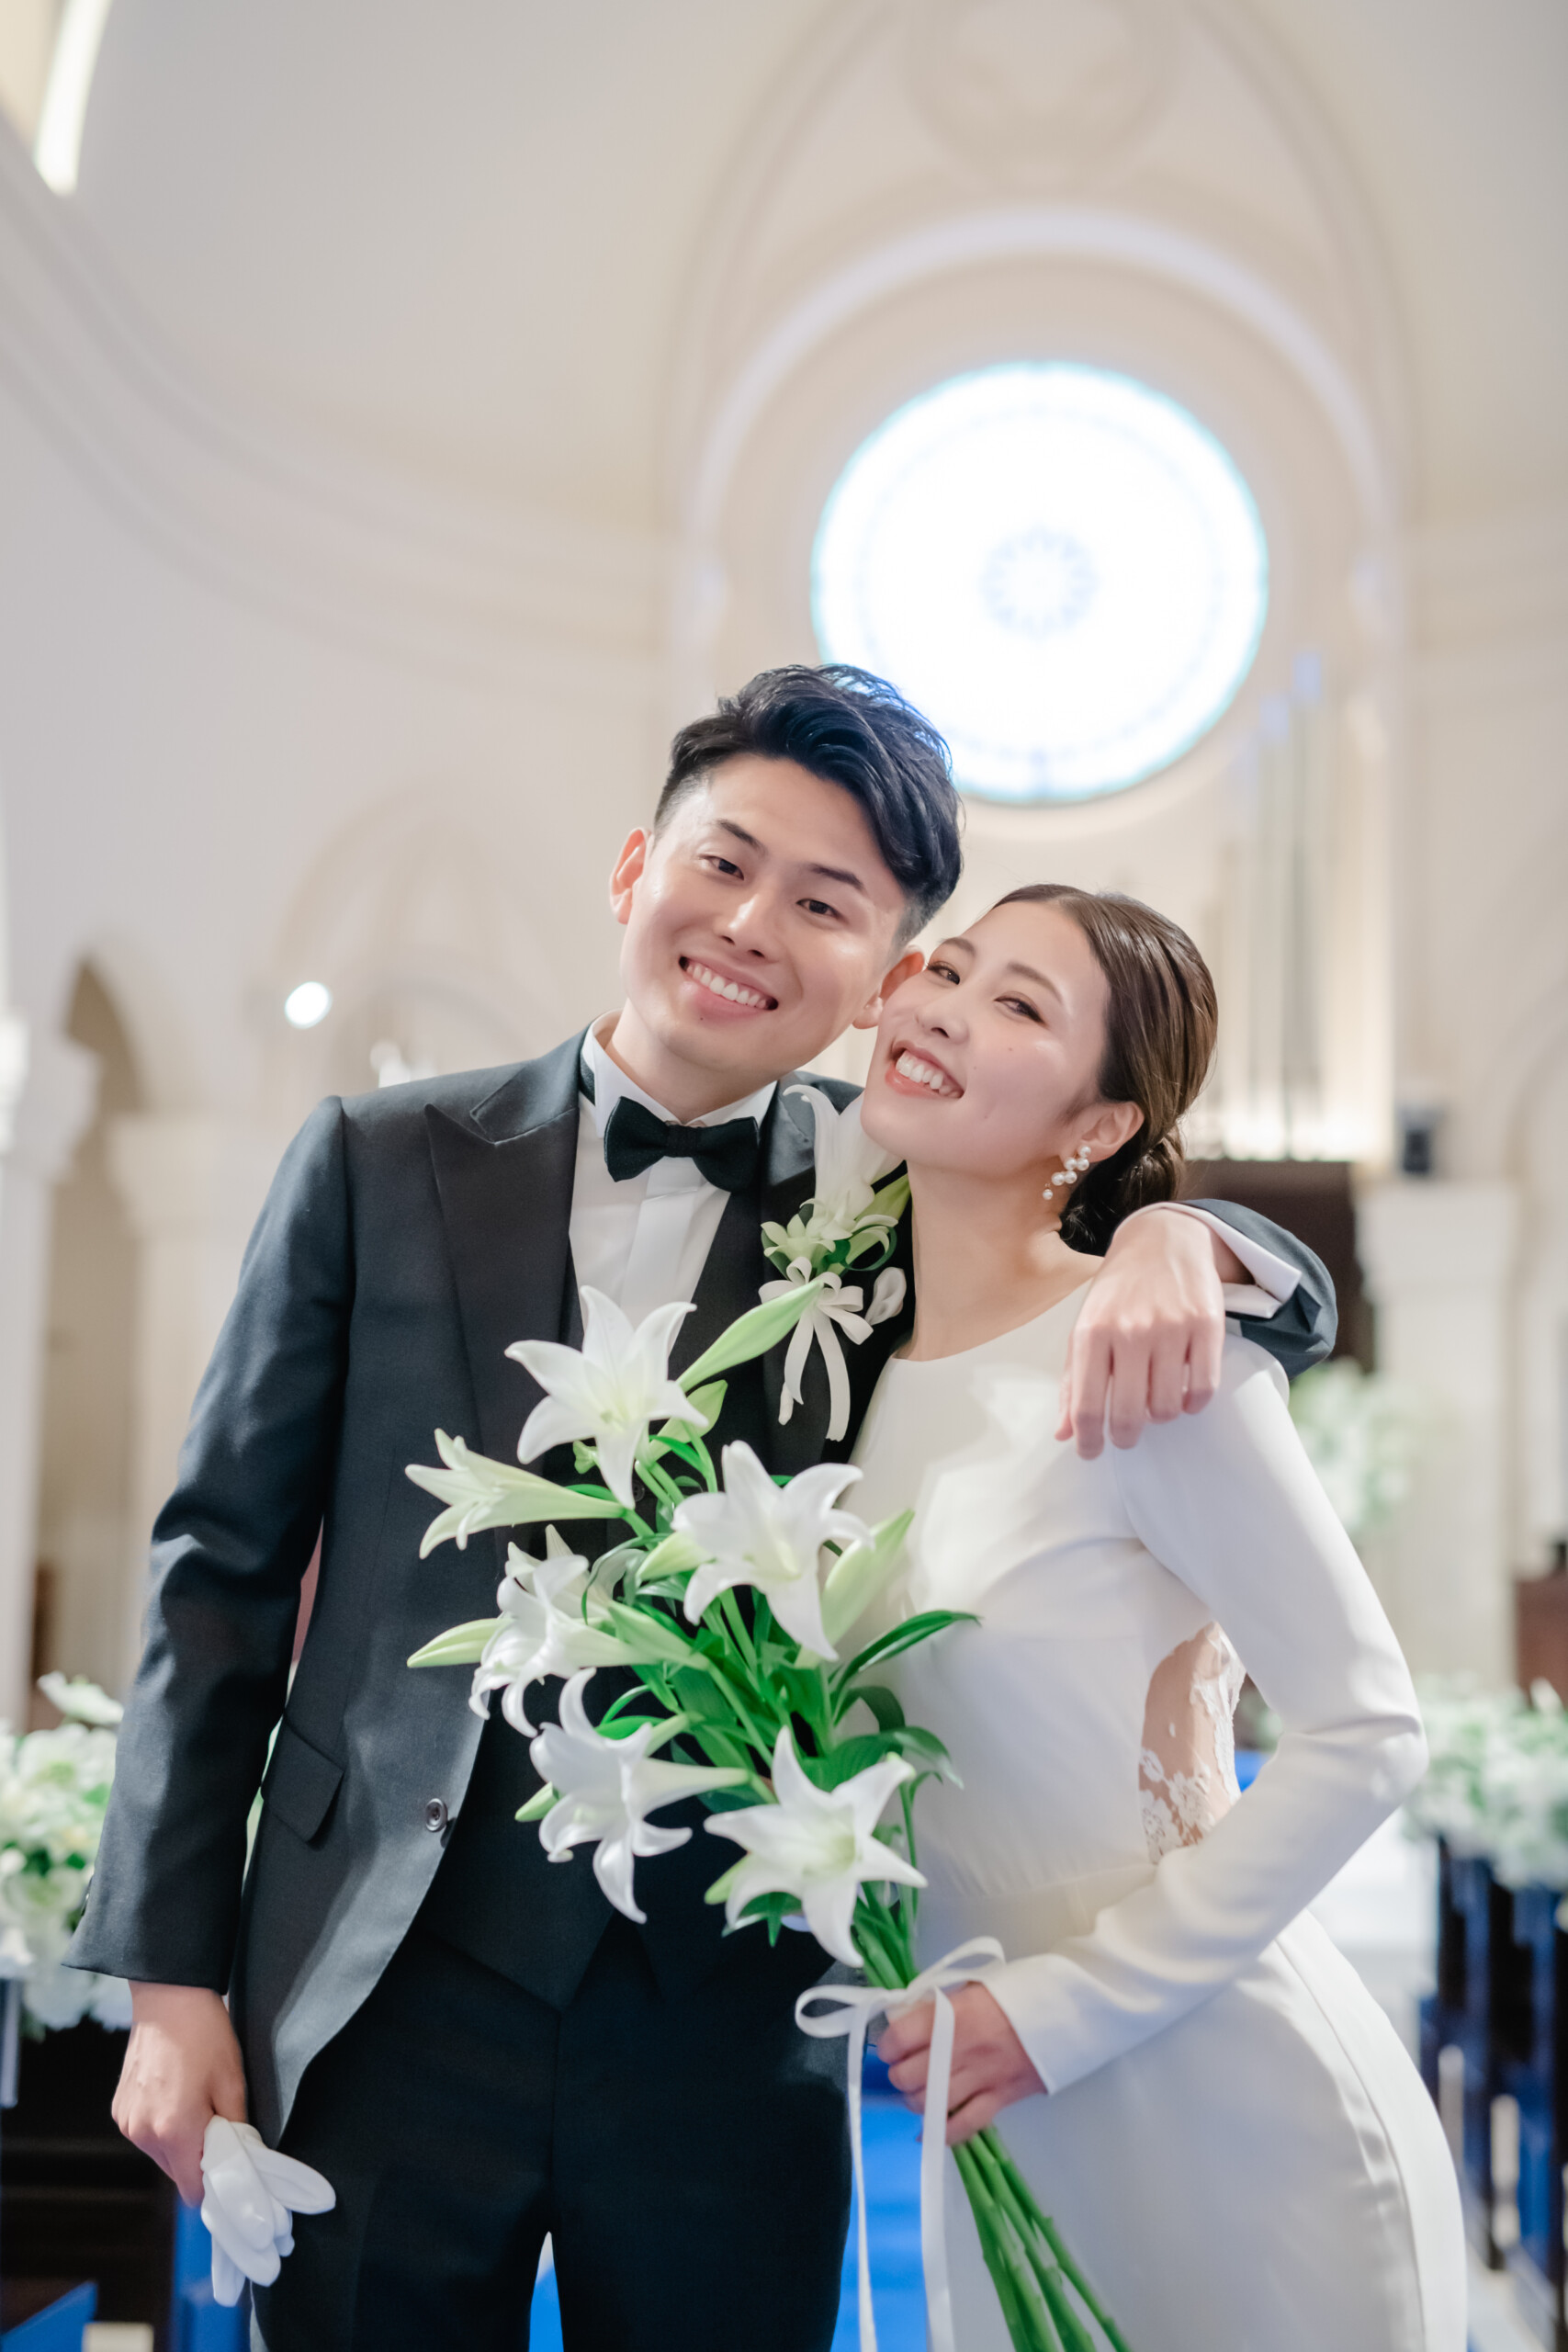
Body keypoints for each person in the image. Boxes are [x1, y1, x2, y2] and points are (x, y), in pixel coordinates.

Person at [71, 670, 1334, 2350]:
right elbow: (218, 1570)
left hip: (730, 2011)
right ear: (633, 870)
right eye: (724, 864)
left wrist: (1186, 1235)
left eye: (824, 903)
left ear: (884, 976)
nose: (749, 926)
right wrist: (169, 1982)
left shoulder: (902, 1184)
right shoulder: (376, 1158)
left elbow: (1223, 1285)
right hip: (378, 1971)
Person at [862, 883, 1463, 2351]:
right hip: (995, 2124)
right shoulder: (853, 1371)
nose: (948, 1007)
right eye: (951, 968)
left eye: (1019, 1004)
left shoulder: (1149, 1357)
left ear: (1099, 1124)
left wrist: (1069, 2010)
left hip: (1226, 2109)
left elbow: (1369, 1729)